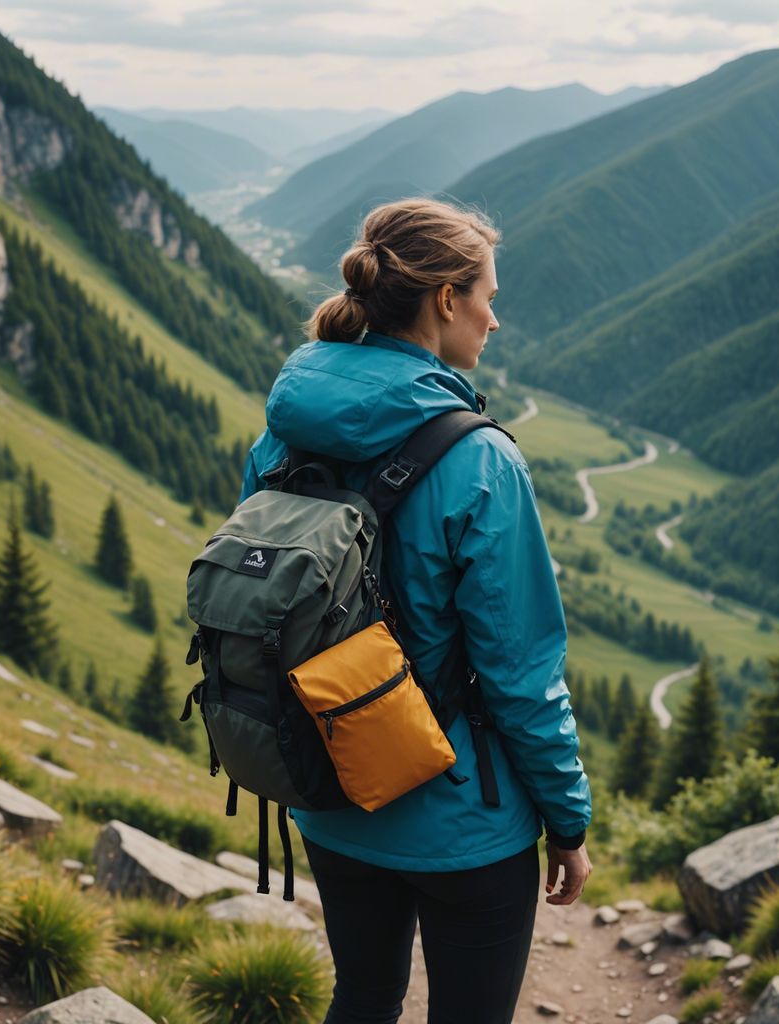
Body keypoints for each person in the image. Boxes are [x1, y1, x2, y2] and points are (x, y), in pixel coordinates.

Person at [238, 197, 592, 1024]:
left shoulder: (284, 433)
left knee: (362, 997)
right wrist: (568, 823)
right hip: (464, 819)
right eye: (488, 297)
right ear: (444, 301)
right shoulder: (480, 461)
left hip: (331, 800)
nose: (494, 319)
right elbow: (521, 673)